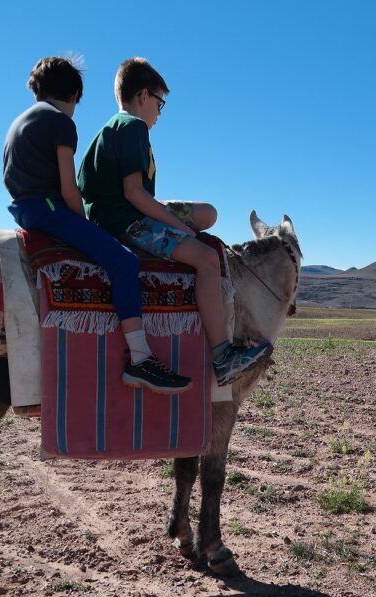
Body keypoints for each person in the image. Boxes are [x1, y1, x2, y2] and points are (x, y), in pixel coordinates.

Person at [78, 57, 271, 386]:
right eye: (159, 102)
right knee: (207, 259)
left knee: (208, 213)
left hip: (122, 209)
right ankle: (223, 355)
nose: (160, 112)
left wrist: (178, 218)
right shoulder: (133, 127)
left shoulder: (113, 128)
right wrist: (179, 228)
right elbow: (135, 193)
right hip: (125, 220)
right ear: (143, 96)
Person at [3, 56, 191, 394]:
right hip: (50, 210)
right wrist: (84, 221)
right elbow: (68, 188)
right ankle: (141, 357)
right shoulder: (60, 123)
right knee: (123, 261)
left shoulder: (20, 121)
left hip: (25, 209)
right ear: (74, 94)